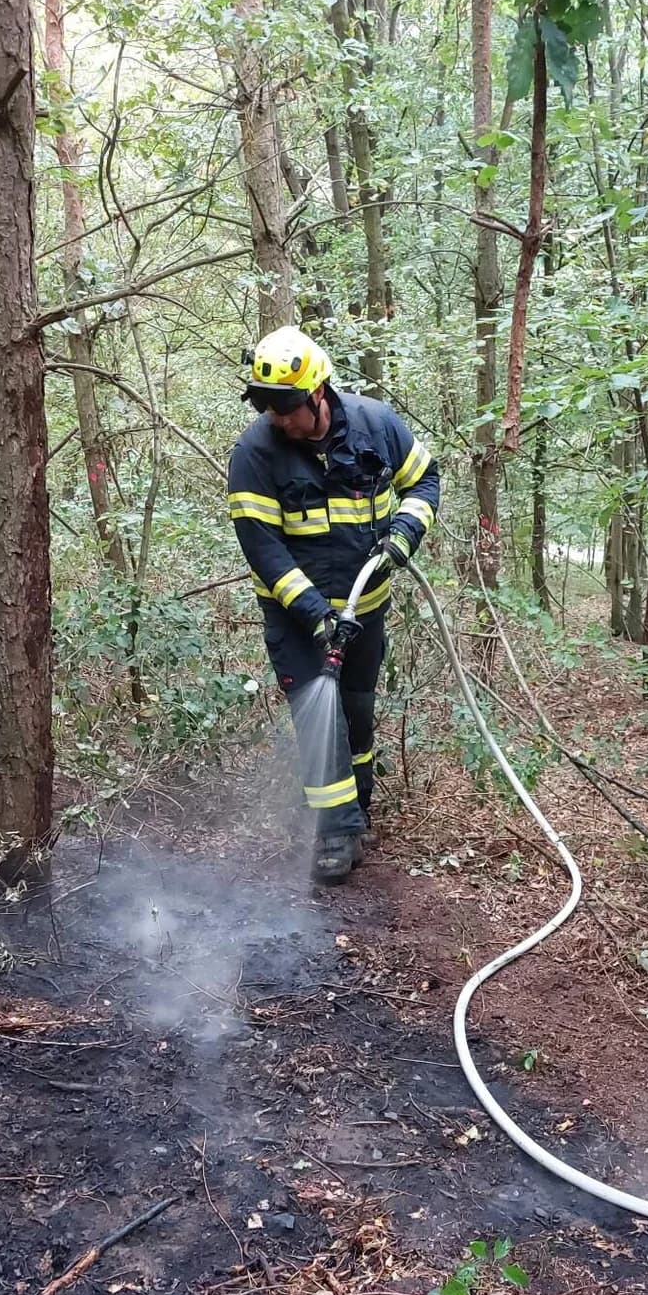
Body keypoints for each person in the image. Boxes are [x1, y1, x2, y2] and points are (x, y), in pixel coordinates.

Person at [227, 326, 439, 883]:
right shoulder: (254, 453)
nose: (278, 418)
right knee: (319, 724)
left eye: (288, 407)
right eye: (268, 406)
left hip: (366, 605)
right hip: (298, 615)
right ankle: (335, 832)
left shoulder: (377, 425)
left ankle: (357, 809)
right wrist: (316, 615)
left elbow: (425, 482)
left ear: (318, 394)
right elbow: (263, 548)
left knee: (357, 712)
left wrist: (404, 533)